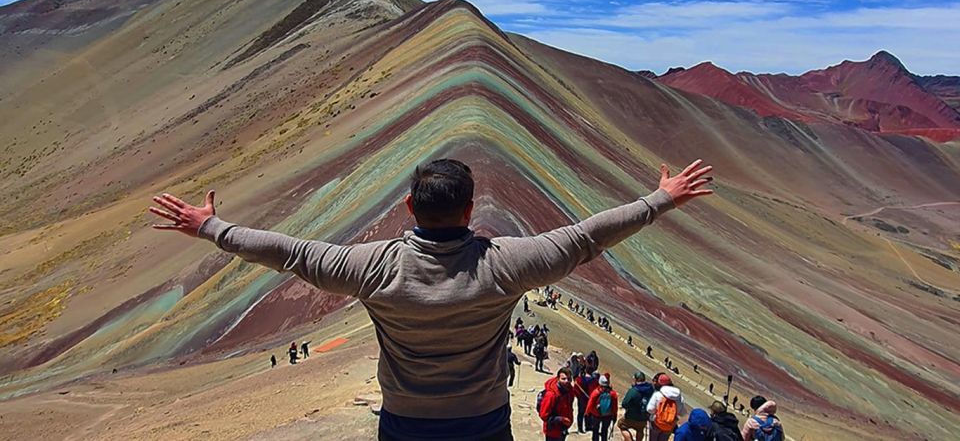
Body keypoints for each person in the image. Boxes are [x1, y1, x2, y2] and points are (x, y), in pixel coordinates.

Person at [150, 158, 713, 440]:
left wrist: (211, 228)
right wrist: (659, 199)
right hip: (483, 421)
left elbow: (288, 253)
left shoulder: (371, 267)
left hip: (405, 423)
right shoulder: (506, 265)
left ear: (409, 208)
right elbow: (588, 237)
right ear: (470, 210)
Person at [647, 374, 685, 441]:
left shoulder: (658, 394)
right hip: (670, 424)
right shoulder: (680, 398)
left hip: (656, 422)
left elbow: (649, 409)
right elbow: (681, 413)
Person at [540, 368, 575, 441]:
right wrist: (560, 419)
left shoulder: (569, 390)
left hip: (563, 428)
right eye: (563, 379)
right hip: (552, 431)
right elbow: (543, 415)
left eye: (569, 379)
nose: (567, 381)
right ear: (558, 378)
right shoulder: (551, 395)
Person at [618, 371, 654, 441]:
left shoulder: (634, 390)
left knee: (621, 425)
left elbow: (625, 403)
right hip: (644, 416)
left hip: (631, 416)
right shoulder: (650, 389)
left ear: (636, 379)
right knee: (640, 429)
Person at [586, 374, 619, 441]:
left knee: (595, 430)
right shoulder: (613, 394)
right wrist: (615, 414)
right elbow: (615, 406)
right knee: (605, 430)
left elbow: (590, 404)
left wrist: (587, 413)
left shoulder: (596, 392)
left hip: (596, 414)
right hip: (608, 415)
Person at [575, 369, 599, 434]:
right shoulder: (594, 381)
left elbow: (576, 390)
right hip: (587, 398)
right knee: (586, 412)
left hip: (582, 398)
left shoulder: (579, 379)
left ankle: (582, 428)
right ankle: (586, 427)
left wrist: (578, 397)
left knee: (582, 413)